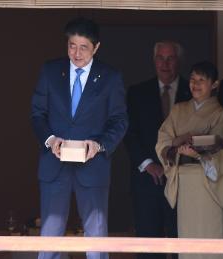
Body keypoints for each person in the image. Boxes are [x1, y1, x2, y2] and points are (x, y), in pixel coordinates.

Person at [31, 17, 128, 259]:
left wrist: (99, 144)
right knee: (50, 235)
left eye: (83, 47)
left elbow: (119, 120)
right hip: (54, 165)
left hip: (93, 165)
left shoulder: (110, 77)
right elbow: (37, 113)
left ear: (96, 47)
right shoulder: (51, 70)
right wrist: (50, 139)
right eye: (71, 45)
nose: (76, 52)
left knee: (96, 237)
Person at [124, 41, 191, 259]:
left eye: (170, 58)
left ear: (178, 61)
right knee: (148, 244)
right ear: (154, 61)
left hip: (183, 180)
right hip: (147, 180)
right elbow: (129, 133)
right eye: (160, 58)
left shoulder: (193, 90)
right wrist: (148, 163)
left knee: (182, 241)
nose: (165, 63)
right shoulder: (137, 93)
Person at [156, 61, 223, 259]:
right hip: (185, 182)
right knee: (188, 241)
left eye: (202, 80)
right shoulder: (178, 110)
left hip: (208, 185)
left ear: (214, 84)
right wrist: (178, 145)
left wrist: (196, 154)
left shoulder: (220, 114)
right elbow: (163, 140)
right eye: (193, 79)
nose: (195, 84)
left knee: (210, 237)